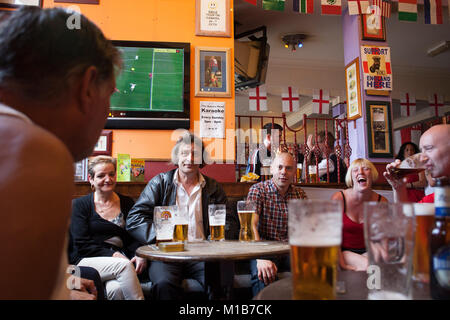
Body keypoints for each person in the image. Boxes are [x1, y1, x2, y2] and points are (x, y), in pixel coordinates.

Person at [0, 7, 120, 299]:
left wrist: (63, 279)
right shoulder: (33, 151)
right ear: (87, 87)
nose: (107, 112)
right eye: (110, 95)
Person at [126, 133, 228, 300]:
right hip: (167, 255)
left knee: (220, 282)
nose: (190, 158)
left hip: (203, 254)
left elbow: (228, 220)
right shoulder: (160, 182)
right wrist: (161, 238)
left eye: (196, 154)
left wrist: (216, 243)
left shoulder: (213, 187)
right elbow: (135, 218)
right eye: (184, 153)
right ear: (176, 157)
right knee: (163, 284)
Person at [68, 156, 146, 300]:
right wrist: (114, 255)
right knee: (124, 266)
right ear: (91, 179)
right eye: (101, 175)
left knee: (115, 290)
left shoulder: (127, 202)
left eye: (111, 174)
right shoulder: (79, 205)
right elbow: (82, 244)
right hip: (85, 258)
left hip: (119, 258)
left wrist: (139, 253)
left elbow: (134, 235)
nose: (108, 179)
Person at [246, 151, 307, 296]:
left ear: (294, 172)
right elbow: (250, 225)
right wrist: (260, 257)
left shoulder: (300, 194)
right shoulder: (257, 190)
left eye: (288, 168)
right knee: (262, 275)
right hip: (264, 248)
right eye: (279, 167)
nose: (283, 172)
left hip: (290, 250)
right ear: (272, 169)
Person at [331, 158, 388, 271]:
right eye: (355, 170)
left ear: (372, 175)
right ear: (351, 178)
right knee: (371, 268)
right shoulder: (339, 198)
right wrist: (342, 264)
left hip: (370, 250)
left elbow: (383, 239)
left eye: (366, 169)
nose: (360, 172)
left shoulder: (382, 202)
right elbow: (333, 236)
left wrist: (384, 259)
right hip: (344, 252)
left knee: (378, 267)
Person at [384, 124, 450, 203]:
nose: (422, 159)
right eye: (422, 151)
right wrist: (399, 189)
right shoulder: (439, 198)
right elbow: (406, 215)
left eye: (429, 148)